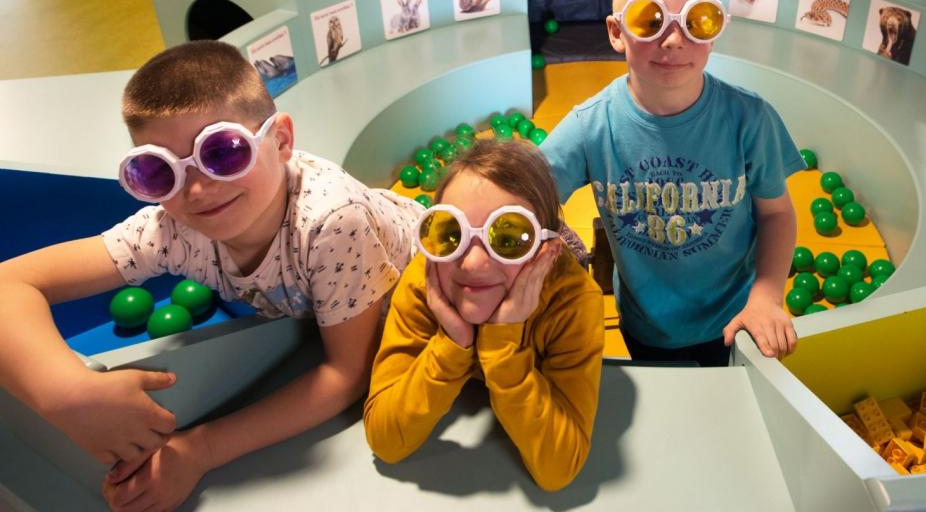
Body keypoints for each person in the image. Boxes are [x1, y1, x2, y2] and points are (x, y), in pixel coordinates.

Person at [0, 41, 421, 512]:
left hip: (415, 282)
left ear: (281, 140)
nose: (197, 189)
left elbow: (347, 372)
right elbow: (8, 284)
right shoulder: (173, 227)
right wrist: (67, 394)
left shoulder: (332, 222)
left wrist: (200, 450)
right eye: (159, 172)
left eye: (223, 152)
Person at [541, 0, 804, 367]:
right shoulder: (591, 126)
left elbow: (776, 213)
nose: (674, 39)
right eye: (650, 20)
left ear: (716, 32)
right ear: (616, 32)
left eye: (698, 19)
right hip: (647, 326)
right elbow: (525, 191)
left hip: (738, 318)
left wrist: (767, 296)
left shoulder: (749, 119)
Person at [364, 139, 604, 491]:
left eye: (508, 238)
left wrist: (502, 345)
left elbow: (558, 469)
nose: (472, 263)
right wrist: (453, 342)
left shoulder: (573, 303)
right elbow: (386, 440)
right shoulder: (425, 280)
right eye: (450, 233)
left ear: (546, 254)